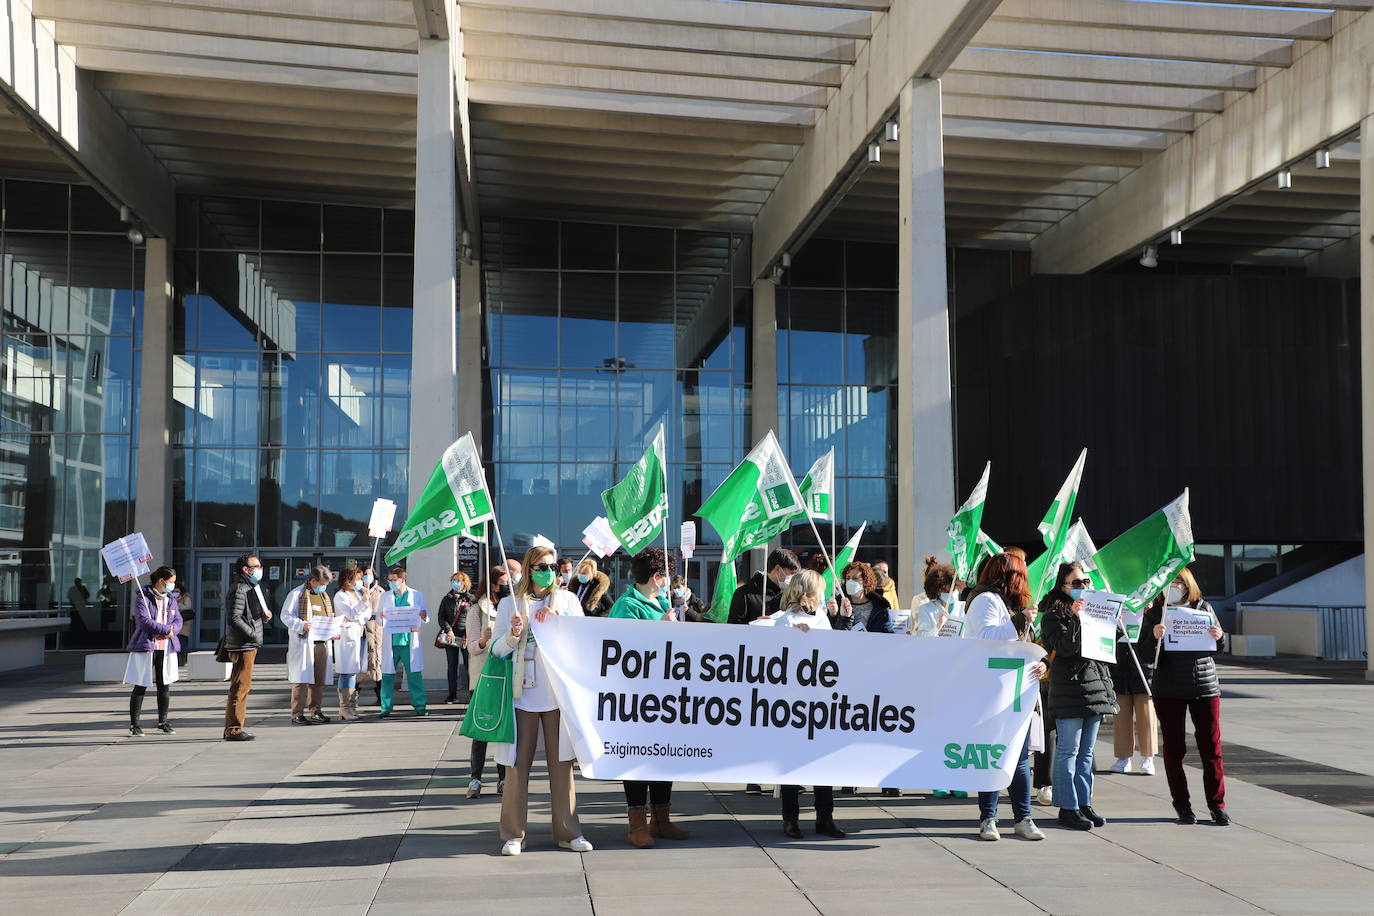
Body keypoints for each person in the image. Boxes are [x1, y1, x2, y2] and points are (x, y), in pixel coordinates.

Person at [490, 545, 593, 856]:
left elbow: (585, 643)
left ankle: (568, 832)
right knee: (516, 767)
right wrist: (512, 634)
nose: (548, 571)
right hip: (522, 697)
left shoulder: (568, 601)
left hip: (558, 698)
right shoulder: (510, 604)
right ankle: (514, 834)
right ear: (530, 569)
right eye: (541, 566)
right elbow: (495, 650)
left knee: (562, 767)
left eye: (551, 565)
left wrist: (560, 620)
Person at [608, 547, 691, 848]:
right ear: (657, 577)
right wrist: (662, 628)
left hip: (664, 697)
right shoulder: (627, 605)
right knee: (639, 760)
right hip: (637, 700)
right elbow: (623, 651)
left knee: (663, 758)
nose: (670, 582)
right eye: (666, 576)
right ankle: (636, 824)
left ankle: (661, 819)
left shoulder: (663, 602)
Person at [963, 552, 1047, 841]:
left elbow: (1028, 645)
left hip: (1015, 691)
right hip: (991, 692)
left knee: (1020, 758)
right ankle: (989, 818)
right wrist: (1020, 620)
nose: (1025, 582)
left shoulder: (1009, 604)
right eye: (1021, 576)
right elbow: (987, 636)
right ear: (1009, 576)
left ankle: (1023, 818)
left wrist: (1041, 663)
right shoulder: (985, 600)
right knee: (993, 756)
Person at [1145, 567, 1229, 826]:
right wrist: (1153, 637)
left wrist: (1219, 637)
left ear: (1188, 583)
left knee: (1211, 749)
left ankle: (1217, 806)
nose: (1175, 586)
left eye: (1179, 581)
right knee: (1174, 749)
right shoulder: (1155, 613)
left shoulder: (1204, 608)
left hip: (1204, 687)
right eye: (1170, 582)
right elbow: (1145, 654)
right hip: (1169, 689)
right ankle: (1182, 806)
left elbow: (1219, 646)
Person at [1039, 562, 1116, 831]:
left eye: (1085, 582)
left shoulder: (1093, 611)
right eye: (1076, 583)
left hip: (1094, 687)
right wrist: (1075, 618)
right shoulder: (1052, 616)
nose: (1082, 587)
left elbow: (1111, 643)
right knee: (1068, 751)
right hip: (1069, 689)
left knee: (1086, 753)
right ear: (1063, 587)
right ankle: (1067, 807)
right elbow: (1064, 648)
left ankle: (1085, 803)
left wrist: (1112, 618)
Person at [772, 570, 847, 839]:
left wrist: (842, 620)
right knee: (793, 763)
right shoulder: (786, 620)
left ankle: (824, 818)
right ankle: (790, 819)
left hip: (821, 701)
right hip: (794, 703)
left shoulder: (822, 619)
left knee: (823, 764)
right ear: (808, 592)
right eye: (821, 589)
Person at [465, 564, 509, 798]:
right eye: (503, 582)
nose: (507, 586)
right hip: (483, 677)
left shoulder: (512, 607)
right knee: (481, 731)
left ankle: (504, 779)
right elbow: (472, 648)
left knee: (503, 731)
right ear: (493, 584)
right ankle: (475, 779)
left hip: (505, 675)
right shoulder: (476, 610)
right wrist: (483, 641)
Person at [123, 566, 182, 736]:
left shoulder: (170, 599)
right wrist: (165, 629)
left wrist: (172, 630)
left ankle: (162, 721)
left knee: (164, 685)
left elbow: (178, 619)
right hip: (147, 646)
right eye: (171, 582)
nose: (173, 585)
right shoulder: (143, 597)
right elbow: (143, 621)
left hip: (166, 646)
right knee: (140, 684)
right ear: (161, 581)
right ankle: (135, 724)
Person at [223, 554, 272, 741]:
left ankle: (235, 726)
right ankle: (234, 728)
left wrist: (262, 617)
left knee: (243, 686)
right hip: (243, 644)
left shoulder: (250, 587)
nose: (260, 569)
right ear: (246, 569)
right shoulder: (240, 589)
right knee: (240, 687)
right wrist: (252, 633)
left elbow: (248, 615)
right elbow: (234, 618)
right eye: (257, 566)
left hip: (249, 643)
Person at [1110, 591, 1158, 776]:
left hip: (1143, 658)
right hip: (1119, 655)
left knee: (1145, 710)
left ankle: (1148, 757)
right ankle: (1123, 757)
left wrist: (1150, 609)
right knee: (1121, 710)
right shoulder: (1112, 584)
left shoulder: (1151, 589)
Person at [283, 566, 337, 725]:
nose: (324, 587)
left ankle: (316, 710)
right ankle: (297, 713)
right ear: (312, 580)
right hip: (304, 642)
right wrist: (301, 625)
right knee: (300, 680)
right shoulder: (297, 594)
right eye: (321, 583)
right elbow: (285, 615)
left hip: (322, 643)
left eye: (326, 584)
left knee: (318, 680)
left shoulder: (324, 595)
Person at [378, 567, 430, 717]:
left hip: (409, 642)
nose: (391, 583)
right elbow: (380, 621)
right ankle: (385, 708)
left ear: (403, 580)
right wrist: (381, 616)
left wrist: (423, 614)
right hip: (391, 642)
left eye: (394, 580)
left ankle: (420, 706)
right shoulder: (385, 597)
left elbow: (426, 615)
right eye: (390, 580)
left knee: (414, 676)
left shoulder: (417, 595)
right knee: (387, 676)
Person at [333, 567, 372, 721]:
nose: (360, 582)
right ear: (347, 581)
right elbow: (351, 613)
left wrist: (360, 610)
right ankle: (344, 707)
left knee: (354, 672)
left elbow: (366, 613)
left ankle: (352, 706)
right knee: (346, 672)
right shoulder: (340, 596)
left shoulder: (356, 594)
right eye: (357, 579)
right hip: (346, 637)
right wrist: (361, 605)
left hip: (359, 633)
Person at [728, 548, 800, 625]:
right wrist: (754, 623)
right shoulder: (744, 594)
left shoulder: (791, 594)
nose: (793, 578)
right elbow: (733, 626)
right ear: (778, 569)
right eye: (791, 573)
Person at [439, 571, 474, 704]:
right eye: (453, 580)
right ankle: (452, 695)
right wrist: (449, 631)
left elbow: (474, 618)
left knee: (469, 665)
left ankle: (472, 694)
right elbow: (441, 617)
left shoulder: (470, 599)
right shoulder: (447, 598)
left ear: (464, 582)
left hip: (467, 637)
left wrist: (467, 633)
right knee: (452, 666)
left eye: (458, 580)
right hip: (451, 637)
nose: (455, 583)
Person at [837, 561, 892, 633]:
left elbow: (888, 634)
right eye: (848, 578)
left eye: (855, 578)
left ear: (865, 581)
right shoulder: (838, 604)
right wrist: (834, 615)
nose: (850, 581)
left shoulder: (880, 606)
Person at [909, 556, 955, 636]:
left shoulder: (957, 605)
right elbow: (919, 630)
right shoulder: (922, 604)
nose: (948, 593)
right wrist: (938, 626)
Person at [360, 566, 385, 704]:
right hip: (360, 632)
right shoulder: (356, 591)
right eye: (365, 574)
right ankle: (354, 693)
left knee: (377, 661)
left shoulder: (379, 592)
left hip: (375, 633)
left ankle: (379, 694)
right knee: (360, 664)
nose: (367, 576)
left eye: (369, 574)